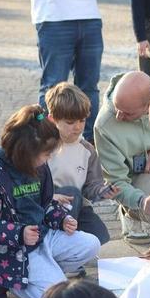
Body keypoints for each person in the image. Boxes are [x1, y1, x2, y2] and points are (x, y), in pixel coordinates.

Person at [0, 105, 101, 298]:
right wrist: (19, 233)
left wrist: (62, 219)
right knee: (59, 297)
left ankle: (42, 271)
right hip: (12, 249)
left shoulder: (38, 167)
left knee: (92, 244)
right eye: (46, 154)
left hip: (42, 237)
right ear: (25, 152)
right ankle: (9, 281)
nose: (49, 159)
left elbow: (46, 204)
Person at [27, 0, 113, 142]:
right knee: (52, 87)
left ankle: (89, 143)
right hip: (53, 18)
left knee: (90, 87)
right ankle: (47, 141)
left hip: (90, 16)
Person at [94, 71, 150, 245]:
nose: (118, 116)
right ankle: (130, 211)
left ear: (149, 106)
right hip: (136, 179)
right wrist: (141, 200)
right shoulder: (104, 126)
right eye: (117, 108)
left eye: (127, 113)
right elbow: (114, 182)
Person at [45, 82, 118, 245]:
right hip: (48, 207)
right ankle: (63, 247)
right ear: (53, 119)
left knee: (101, 237)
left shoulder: (87, 150)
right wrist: (50, 197)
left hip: (77, 206)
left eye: (82, 120)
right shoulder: (44, 147)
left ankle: (72, 244)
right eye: (70, 122)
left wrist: (102, 191)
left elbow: (92, 186)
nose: (78, 127)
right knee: (72, 192)